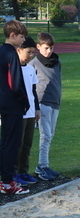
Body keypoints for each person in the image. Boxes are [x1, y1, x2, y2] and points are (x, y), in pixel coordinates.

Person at [0, 20, 30, 195]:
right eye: (22, 37)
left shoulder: (1, 51)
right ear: (12, 35)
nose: (23, 40)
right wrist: (25, 101)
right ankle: (8, 182)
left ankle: (5, 179)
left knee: (5, 142)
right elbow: (15, 83)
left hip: (3, 102)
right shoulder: (11, 54)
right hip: (12, 105)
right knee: (12, 143)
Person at [29, 32, 62, 181]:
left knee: (50, 135)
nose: (49, 51)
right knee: (45, 135)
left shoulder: (57, 62)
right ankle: (41, 167)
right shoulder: (34, 64)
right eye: (46, 48)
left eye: (51, 48)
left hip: (55, 102)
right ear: (39, 47)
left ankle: (45, 165)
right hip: (42, 103)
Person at [14, 36, 40, 186]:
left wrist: (36, 108)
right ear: (19, 50)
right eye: (29, 52)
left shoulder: (30, 69)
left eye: (33, 53)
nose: (31, 55)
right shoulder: (12, 69)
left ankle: (23, 171)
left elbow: (34, 91)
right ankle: (14, 173)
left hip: (30, 113)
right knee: (17, 143)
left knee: (27, 144)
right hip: (17, 112)